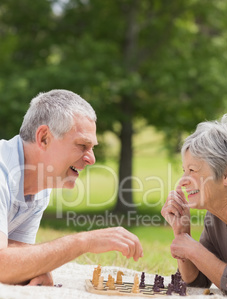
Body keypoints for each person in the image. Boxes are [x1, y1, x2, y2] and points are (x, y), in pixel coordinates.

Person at [0, 89, 143, 286]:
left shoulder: (39, 188)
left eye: (92, 148)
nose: (91, 159)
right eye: (82, 145)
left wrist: (36, 268)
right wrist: (84, 242)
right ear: (44, 138)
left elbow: (18, 256)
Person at [161, 114, 227, 296]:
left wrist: (194, 250)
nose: (182, 181)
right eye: (184, 171)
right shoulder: (217, 213)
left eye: (192, 170)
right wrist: (182, 233)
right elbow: (198, 280)